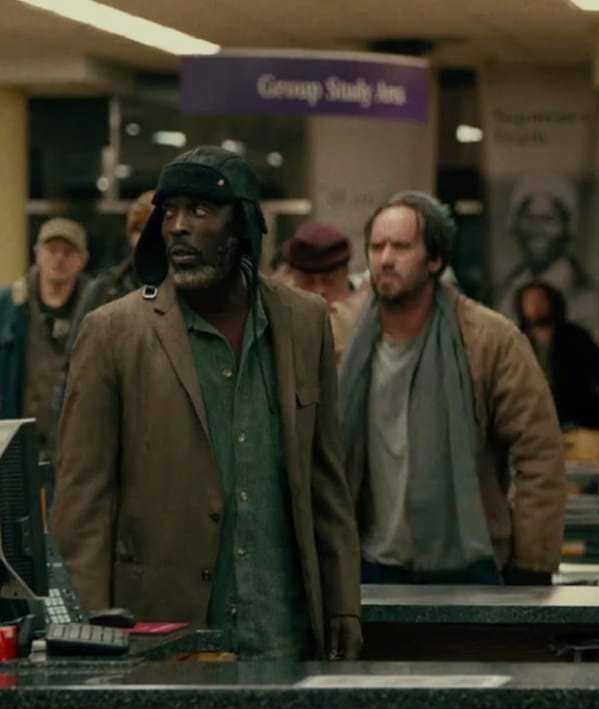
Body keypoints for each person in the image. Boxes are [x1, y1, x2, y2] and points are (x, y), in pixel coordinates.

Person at [51, 146, 362, 660]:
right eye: (170, 211)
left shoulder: (303, 322)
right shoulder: (112, 332)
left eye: (200, 210)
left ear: (240, 225)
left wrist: (344, 606)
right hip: (162, 637)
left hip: (282, 633)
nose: (178, 226)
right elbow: (83, 501)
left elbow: (326, 481)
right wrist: (83, 633)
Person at [340, 191, 567, 586]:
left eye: (401, 247)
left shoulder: (489, 339)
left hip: (468, 560)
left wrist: (531, 564)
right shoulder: (339, 336)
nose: (385, 259)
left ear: (436, 260)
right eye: (376, 247)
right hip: (363, 562)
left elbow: (539, 454)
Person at [0, 217, 91, 459]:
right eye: (52, 250)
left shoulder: (97, 311)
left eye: (68, 252)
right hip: (15, 442)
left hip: (77, 445)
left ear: (82, 259)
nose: (59, 259)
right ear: (37, 254)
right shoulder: (9, 306)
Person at [495, 174, 599, 334]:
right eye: (530, 219)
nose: (538, 229)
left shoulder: (586, 297)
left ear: (566, 228)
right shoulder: (507, 290)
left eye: (548, 220)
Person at [516, 280, 599, 430]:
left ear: (552, 302)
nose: (535, 306)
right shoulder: (516, 340)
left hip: (575, 418)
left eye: (540, 299)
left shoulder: (575, 336)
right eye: (529, 301)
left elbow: (598, 375)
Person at [274, 222, 365, 363]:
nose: (319, 291)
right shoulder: (278, 317)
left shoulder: (369, 314)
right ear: (292, 279)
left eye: (330, 280)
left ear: (346, 275)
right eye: (308, 281)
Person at [72, 191, 154, 326]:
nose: (146, 237)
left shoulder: (186, 288)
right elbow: (81, 337)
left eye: (155, 230)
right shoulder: (105, 287)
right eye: (139, 229)